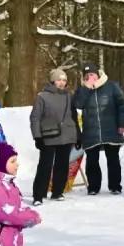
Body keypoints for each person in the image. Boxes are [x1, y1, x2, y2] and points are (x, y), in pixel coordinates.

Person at [74, 64, 124, 195]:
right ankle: (93, 186)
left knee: (113, 159)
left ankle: (115, 186)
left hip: (111, 129)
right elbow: (78, 104)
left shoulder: (111, 86)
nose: (90, 77)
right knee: (92, 160)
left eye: (92, 74)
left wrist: (122, 124)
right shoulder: (82, 90)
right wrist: (86, 88)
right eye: (86, 76)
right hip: (91, 131)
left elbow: (121, 104)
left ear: (98, 74)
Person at [30, 69, 78, 205]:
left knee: (62, 165)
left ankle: (57, 192)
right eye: (59, 80)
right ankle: (38, 195)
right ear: (52, 81)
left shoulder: (69, 96)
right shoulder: (42, 96)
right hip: (48, 135)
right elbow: (35, 117)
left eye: (64, 80)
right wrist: (37, 137)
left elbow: (73, 116)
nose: (62, 83)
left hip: (66, 135)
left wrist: (78, 136)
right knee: (45, 165)